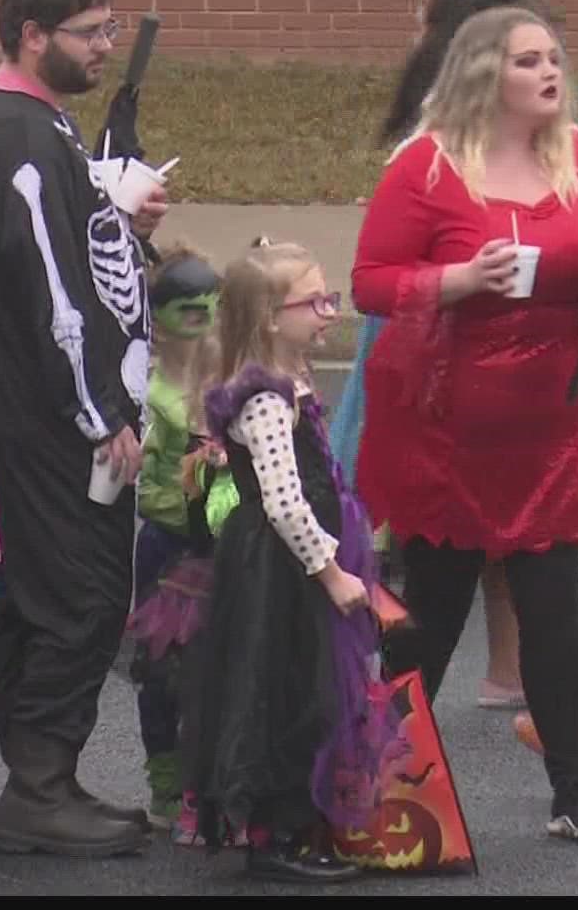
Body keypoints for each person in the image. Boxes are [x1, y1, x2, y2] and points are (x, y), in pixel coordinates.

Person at [353, 4, 578, 843]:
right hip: (448, 428)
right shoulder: (428, 169)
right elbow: (370, 281)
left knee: (553, 611)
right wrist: (460, 281)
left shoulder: (576, 158)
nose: (550, 73)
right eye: (527, 61)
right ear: (484, 76)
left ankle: (576, 793)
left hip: (548, 425)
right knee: (431, 615)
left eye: (553, 58)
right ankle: (369, 779)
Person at [0, 0, 166, 856]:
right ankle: (35, 792)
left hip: (52, 414)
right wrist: (100, 414)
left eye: (111, 30)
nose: (105, 49)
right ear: (32, 35)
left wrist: (116, 216)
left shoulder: (45, 127)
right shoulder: (22, 134)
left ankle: (50, 778)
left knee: (53, 594)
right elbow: (54, 296)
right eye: (91, 33)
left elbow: (71, 254)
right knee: (72, 598)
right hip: (51, 424)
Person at [181, 240, 384, 882]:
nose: (329, 311)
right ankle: (275, 833)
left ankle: (297, 823)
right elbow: (285, 504)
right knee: (283, 686)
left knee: (302, 683)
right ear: (271, 316)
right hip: (284, 568)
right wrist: (331, 571)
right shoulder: (266, 398)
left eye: (331, 298)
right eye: (315, 301)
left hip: (296, 558)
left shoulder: (286, 377)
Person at [125, 247, 222, 839]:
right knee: (161, 671)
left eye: (213, 307)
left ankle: (210, 783)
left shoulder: (231, 370)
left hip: (221, 540)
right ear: (158, 317)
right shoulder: (144, 380)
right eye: (191, 310)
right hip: (166, 541)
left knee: (221, 664)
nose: (204, 320)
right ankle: (167, 785)